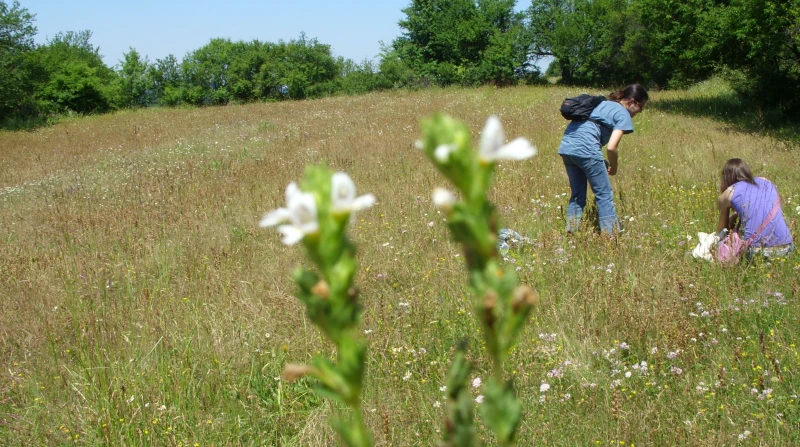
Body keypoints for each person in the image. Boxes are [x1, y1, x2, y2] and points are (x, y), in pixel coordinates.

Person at [558, 83, 649, 234]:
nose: (640, 111)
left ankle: (571, 231)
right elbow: (612, 147)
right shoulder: (623, 114)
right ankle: (611, 236)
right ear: (632, 101)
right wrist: (614, 167)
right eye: (641, 106)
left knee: (577, 193)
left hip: (567, 147)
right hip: (586, 150)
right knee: (604, 195)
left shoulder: (602, 104)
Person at [716, 158, 794, 259]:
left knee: (719, 245)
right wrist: (736, 215)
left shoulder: (728, 193)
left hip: (758, 252)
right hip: (787, 247)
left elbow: (722, 231)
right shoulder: (766, 181)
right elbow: (763, 208)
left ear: (725, 178)